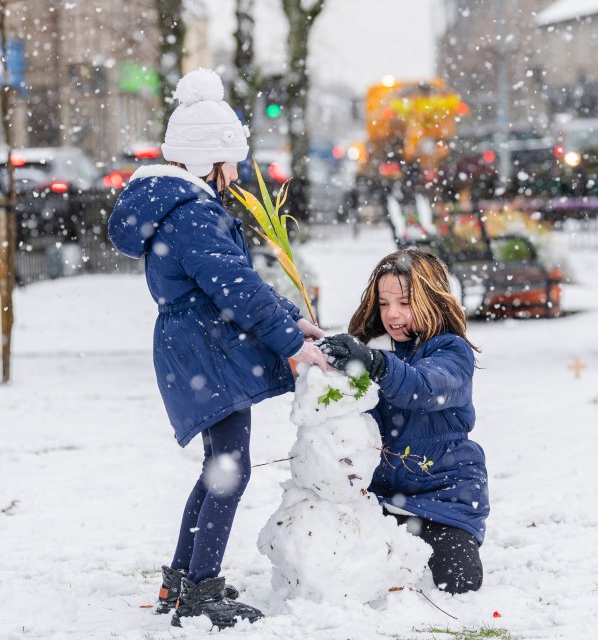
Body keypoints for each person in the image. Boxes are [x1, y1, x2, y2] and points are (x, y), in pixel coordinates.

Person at [107, 68, 328, 629]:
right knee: (229, 468)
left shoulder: (181, 206)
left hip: (198, 346)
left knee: (220, 466)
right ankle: (200, 589)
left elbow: (239, 282)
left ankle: (182, 580)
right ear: (209, 158)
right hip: (205, 349)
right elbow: (237, 291)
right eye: (231, 162)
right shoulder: (193, 213)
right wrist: (291, 344)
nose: (235, 176)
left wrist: (291, 322)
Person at [319, 248, 489, 594]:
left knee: (458, 581)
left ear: (432, 300)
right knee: (340, 568)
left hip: (445, 498)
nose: (392, 314)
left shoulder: (451, 352)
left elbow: (423, 388)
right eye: (383, 304)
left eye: (405, 302)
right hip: (383, 498)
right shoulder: (371, 349)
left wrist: (377, 364)